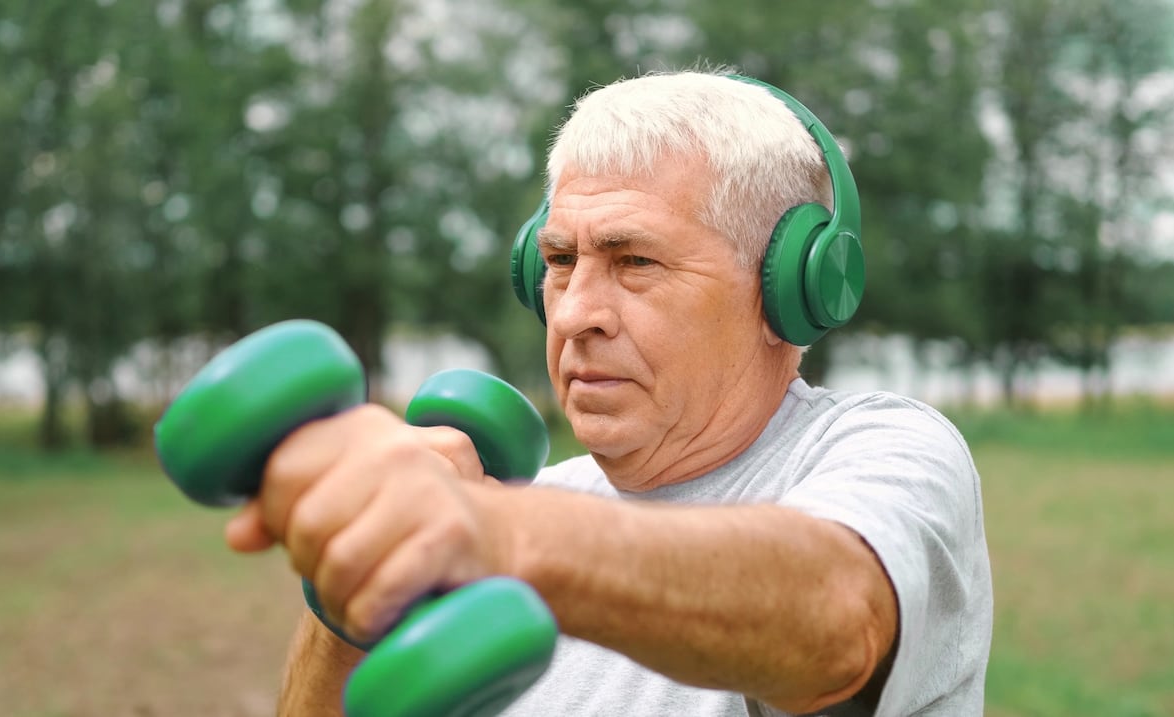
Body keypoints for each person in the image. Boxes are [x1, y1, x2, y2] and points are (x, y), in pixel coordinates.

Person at [224, 68, 993, 716]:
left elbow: (836, 622)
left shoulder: (885, 450)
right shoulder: (530, 506)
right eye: (560, 260)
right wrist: (351, 590)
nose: (576, 312)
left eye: (634, 262)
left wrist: (491, 531)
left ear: (788, 289)